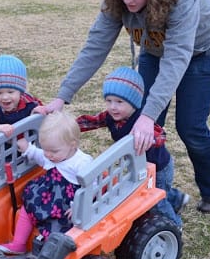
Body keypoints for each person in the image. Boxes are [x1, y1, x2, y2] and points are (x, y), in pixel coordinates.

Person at [37, 0, 210, 213]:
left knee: (190, 127)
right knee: (137, 128)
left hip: (201, 53)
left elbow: (177, 56)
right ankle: (150, 190)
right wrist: (62, 97)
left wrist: (149, 115)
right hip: (154, 51)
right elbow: (96, 45)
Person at [77, 66, 188, 228]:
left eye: (119, 102)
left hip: (158, 168)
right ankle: (178, 198)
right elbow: (92, 121)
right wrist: (71, 126)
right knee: (152, 190)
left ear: (134, 102)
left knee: (155, 199)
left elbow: (159, 135)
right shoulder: (110, 117)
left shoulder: (142, 120)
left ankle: (174, 225)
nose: (113, 107)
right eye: (109, 101)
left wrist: (150, 139)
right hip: (138, 166)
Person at [0, 111, 93, 255]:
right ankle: (18, 244)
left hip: (65, 202)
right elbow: (40, 156)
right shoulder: (52, 154)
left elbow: (91, 186)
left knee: (58, 225)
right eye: (45, 149)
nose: (48, 155)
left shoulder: (82, 162)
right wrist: (28, 148)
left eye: (53, 151)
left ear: (72, 145)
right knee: (28, 206)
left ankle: (47, 256)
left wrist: (78, 205)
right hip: (46, 193)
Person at [0, 54, 43, 138]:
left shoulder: (29, 102)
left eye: (10, 92)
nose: (5, 97)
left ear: (21, 92)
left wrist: (39, 110)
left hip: (29, 145)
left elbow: (43, 111)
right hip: (3, 148)